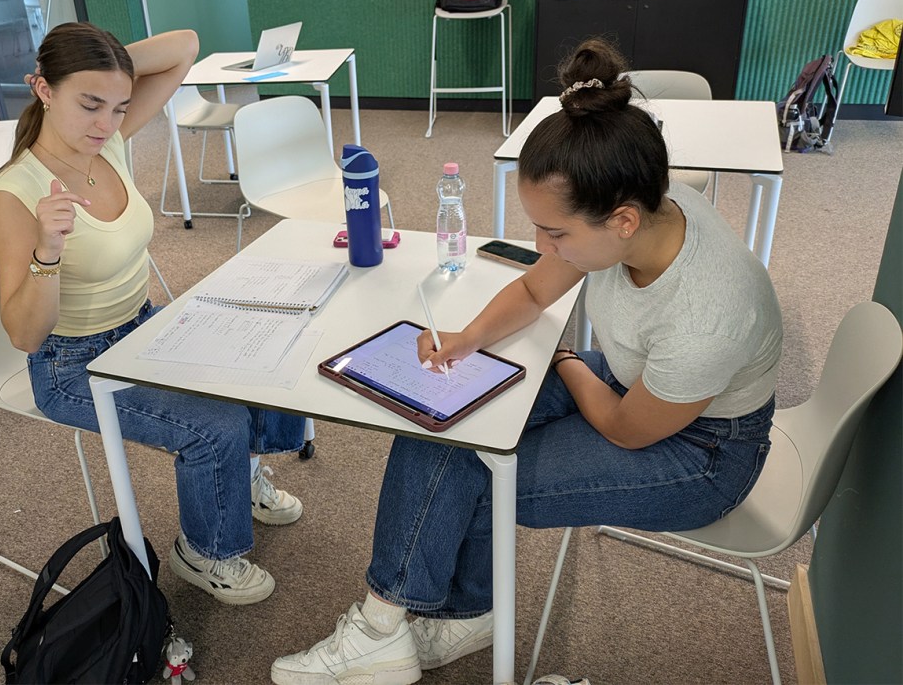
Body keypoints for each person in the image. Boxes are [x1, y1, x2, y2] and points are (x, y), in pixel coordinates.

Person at [270, 38, 783, 683]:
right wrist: (467, 338)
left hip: (704, 449)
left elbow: (628, 427)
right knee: (443, 412)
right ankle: (392, 623)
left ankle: (452, 614)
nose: (542, 246)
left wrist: (565, 360)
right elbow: (539, 286)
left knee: (489, 467)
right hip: (627, 380)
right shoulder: (646, 202)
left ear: (623, 220)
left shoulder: (710, 308)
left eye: (556, 233)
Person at [0, 22, 307, 607]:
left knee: (268, 348)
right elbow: (25, 335)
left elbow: (186, 44)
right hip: (71, 364)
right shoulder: (15, 192)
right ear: (43, 89)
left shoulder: (106, 141)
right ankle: (205, 551)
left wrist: (99, 66)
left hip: (139, 323)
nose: (106, 123)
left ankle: (237, 478)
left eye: (119, 106)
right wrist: (47, 252)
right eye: (89, 104)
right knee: (216, 426)